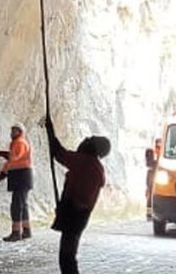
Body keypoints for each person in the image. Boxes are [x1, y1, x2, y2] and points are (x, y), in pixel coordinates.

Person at [44, 116, 110, 274]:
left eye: (90, 140)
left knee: (66, 258)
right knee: (68, 256)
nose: (86, 140)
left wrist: (50, 131)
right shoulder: (97, 167)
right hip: (80, 216)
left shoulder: (85, 161)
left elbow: (59, 154)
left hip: (74, 214)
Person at [0, 123, 33, 242]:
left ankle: (16, 233)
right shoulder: (16, 144)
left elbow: (13, 157)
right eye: (12, 130)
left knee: (16, 206)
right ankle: (26, 231)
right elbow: (10, 164)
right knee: (22, 205)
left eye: (15, 131)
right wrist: (0, 177)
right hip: (21, 177)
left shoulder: (20, 143)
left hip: (22, 177)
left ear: (20, 132)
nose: (12, 133)